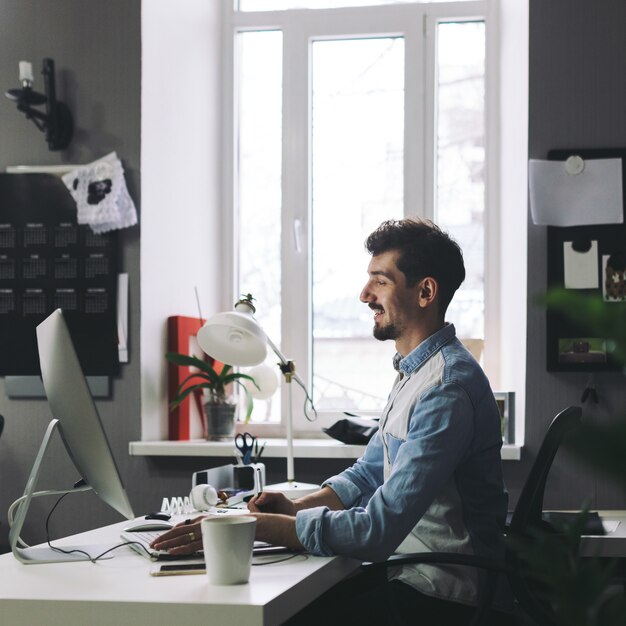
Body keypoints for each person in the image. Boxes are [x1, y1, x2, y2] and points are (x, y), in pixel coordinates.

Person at [152, 218, 513, 625]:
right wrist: (294, 508)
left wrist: (252, 526)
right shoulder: (416, 373)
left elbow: (377, 531)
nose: (364, 295)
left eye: (380, 281)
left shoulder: (446, 387)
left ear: (426, 291)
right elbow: (368, 474)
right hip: (407, 572)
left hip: (440, 592)